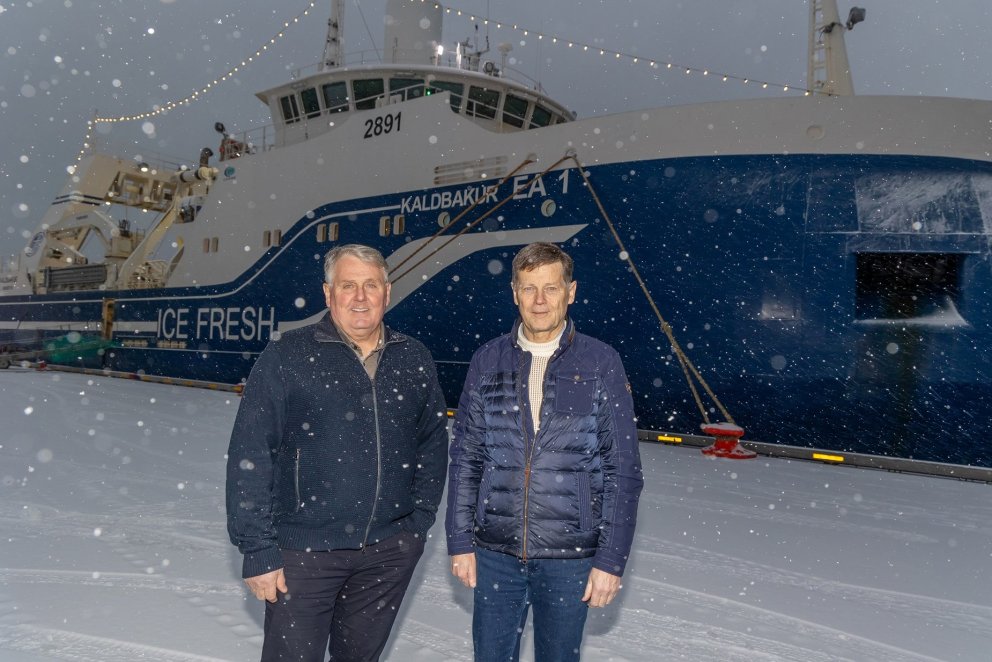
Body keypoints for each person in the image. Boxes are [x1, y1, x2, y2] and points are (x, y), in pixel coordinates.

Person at [226, 244, 449, 662]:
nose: (360, 297)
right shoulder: (287, 355)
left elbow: (433, 442)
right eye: (348, 285)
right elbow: (251, 452)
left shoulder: (413, 357)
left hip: (387, 553)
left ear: (387, 291)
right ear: (329, 294)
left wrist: (415, 525)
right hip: (303, 554)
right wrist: (257, 549)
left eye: (370, 285)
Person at [445, 242, 644, 661]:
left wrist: (610, 560)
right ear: (514, 292)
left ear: (570, 292)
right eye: (529, 288)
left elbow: (622, 469)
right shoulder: (487, 360)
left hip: (569, 557)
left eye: (550, 288)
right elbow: (466, 460)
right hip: (496, 552)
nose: (539, 301)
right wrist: (461, 540)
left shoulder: (600, 362)